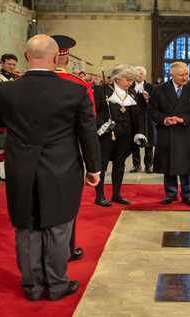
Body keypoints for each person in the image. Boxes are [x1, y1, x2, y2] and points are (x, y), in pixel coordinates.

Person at [0, 35, 101, 301]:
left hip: (21, 167)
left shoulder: (5, 90)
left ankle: (31, 286)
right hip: (61, 168)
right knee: (57, 227)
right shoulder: (75, 90)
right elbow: (87, 132)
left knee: (26, 226)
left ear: (27, 57)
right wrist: (94, 168)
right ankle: (56, 284)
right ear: (56, 58)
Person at [51, 34, 95, 262]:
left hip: (29, 155)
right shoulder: (78, 85)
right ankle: (67, 248)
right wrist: (93, 166)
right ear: (65, 58)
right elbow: (88, 125)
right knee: (67, 204)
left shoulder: (17, 85)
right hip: (67, 153)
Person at [148, 61, 190, 207]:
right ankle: (170, 194)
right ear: (171, 74)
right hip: (167, 132)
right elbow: (152, 111)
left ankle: (187, 194)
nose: (185, 77)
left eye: (187, 74)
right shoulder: (159, 89)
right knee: (169, 165)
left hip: (187, 132)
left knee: (187, 165)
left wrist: (183, 119)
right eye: (181, 75)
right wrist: (164, 119)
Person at [93, 64, 148, 207]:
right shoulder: (101, 91)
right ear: (117, 78)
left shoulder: (132, 93)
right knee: (102, 165)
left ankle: (117, 194)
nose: (131, 83)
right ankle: (100, 196)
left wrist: (140, 132)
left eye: (132, 80)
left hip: (126, 136)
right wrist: (101, 124)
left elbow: (138, 116)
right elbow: (93, 112)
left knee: (119, 164)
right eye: (128, 80)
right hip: (106, 134)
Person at [0, 53, 18, 182]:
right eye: (9, 64)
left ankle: (10, 171)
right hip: (0, 116)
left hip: (14, 117)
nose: (12, 67)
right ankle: (1, 172)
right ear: (3, 63)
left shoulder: (15, 77)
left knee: (12, 146)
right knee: (0, 145)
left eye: (14, 64)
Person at [130, 66, 155, 174]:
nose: (139, 75)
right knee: (134, 143)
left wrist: (148, 98)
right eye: (137, 73)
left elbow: (156, 104)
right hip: (134, 118)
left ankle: (148, 166)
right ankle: (136, 165)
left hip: (147, 118)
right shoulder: (129, 87)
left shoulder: (150, 87)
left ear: (144, 75)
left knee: (148, 143)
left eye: (141, 73)